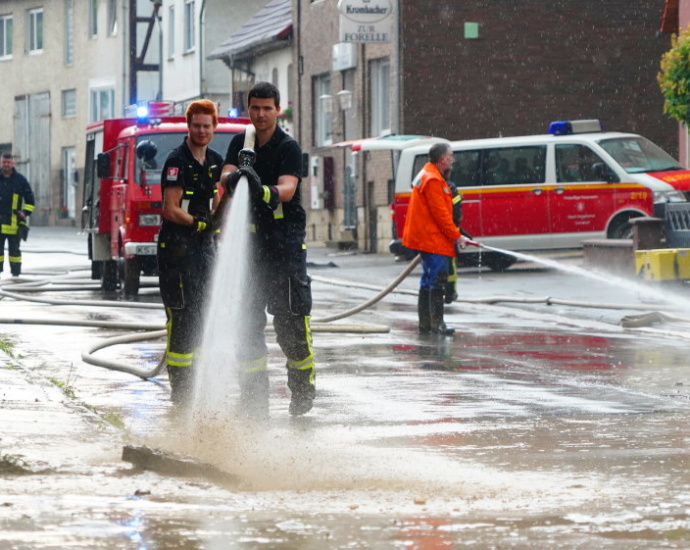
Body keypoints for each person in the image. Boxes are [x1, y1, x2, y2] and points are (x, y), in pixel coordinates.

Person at [220, 81, 315, 417]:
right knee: (247, 324)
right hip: (250, 248)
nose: (260, 115)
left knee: (290, 322)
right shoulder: (240, 143)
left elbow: (288, 189)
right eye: (255, 108)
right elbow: (226, 175)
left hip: (284, 246)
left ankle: (302, 392)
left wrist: (262, 189)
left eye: (267, 108)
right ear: (249, 109)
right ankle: (253, 396)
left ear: (277, 110)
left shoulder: (287, 146)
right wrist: (231, 179)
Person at [157, 99, 223, 404]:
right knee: (182, 317)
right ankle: (181, 391)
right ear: (188, 125)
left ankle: (198, 381)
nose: (201, 131)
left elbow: (219, 201)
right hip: (177, 250)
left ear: (214, 127)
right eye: (196, 125)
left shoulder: (215, 162)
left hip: (203, 249)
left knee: (202, 314)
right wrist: (198, 224)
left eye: (206, 126)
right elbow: (170, 210)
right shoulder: (176, 162)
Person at [402, 143, 468, 336]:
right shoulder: (432, 180)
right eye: (451, 156)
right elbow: (441, 215)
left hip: (428, 237)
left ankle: (427, 324)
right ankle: (437, 324)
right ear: (442, 159)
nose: (452, 160)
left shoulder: (429, 175)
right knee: (438, 279)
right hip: (432, 239)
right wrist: (457, 236)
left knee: (428, 280)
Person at [0, 153, 35, 277]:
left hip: (14, 223)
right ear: (1, 163)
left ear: (12, 163)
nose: (6, 165)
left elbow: (30, 199)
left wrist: (25, 212)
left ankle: (16, 276)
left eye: (8, 162)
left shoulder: (20, 180)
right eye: (4, 162)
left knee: (14, 252)